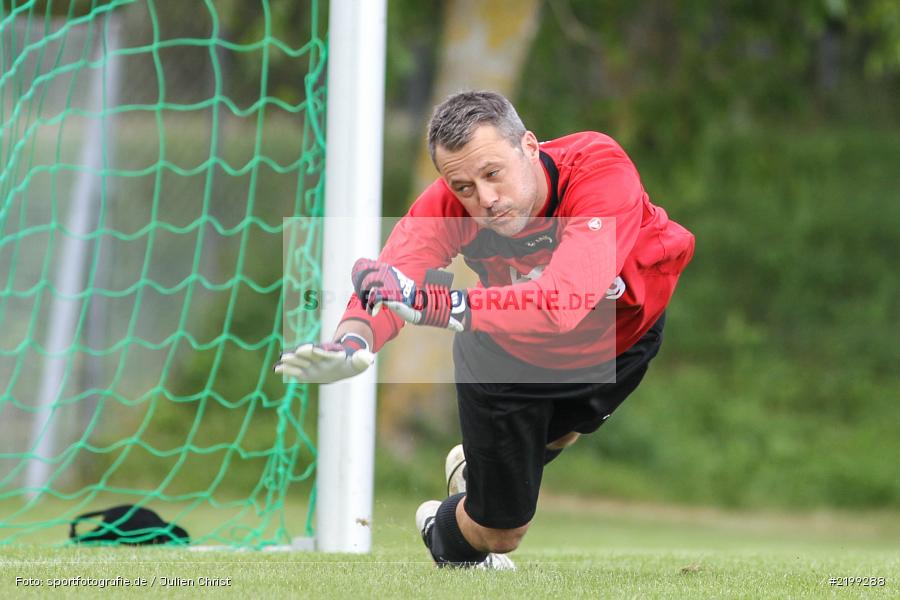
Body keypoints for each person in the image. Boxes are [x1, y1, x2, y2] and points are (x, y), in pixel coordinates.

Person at [276, 91, 695, 570]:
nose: (486, 198)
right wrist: (354, 339)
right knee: (501, 533)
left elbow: (561, 304)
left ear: (530, 148)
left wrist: (434, 302)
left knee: (562, 434)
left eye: (493, 173)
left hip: (621, 342)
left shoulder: (598, 170)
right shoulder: (448, 204)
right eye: (464, 186)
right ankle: (445, 528)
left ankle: (477, 469)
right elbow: (385, 281)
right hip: (506, 357)